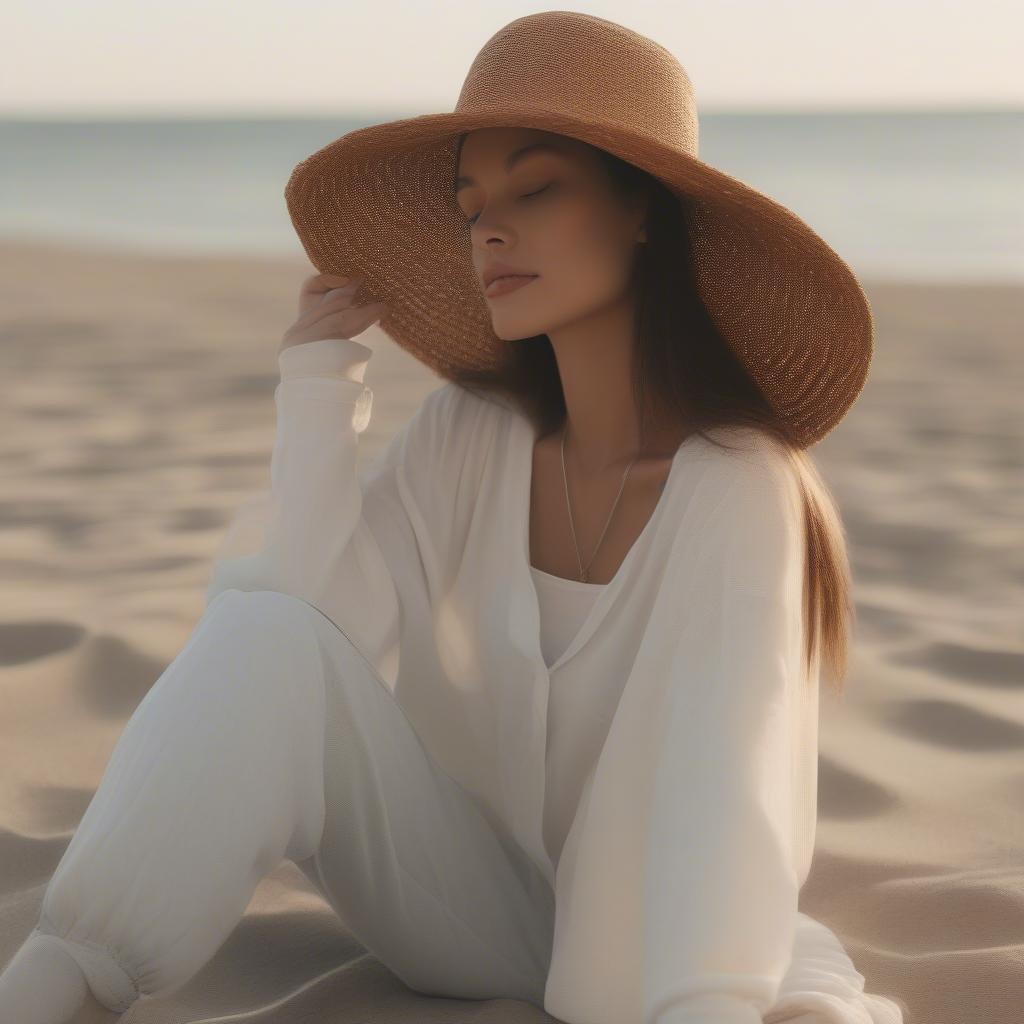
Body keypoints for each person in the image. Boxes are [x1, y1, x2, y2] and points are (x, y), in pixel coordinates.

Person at [0, 12, 907, 1024]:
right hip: (464, 910)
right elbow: (299, 627)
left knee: (783, 983)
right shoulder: (466, 435)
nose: (488, 229)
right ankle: (61, 986)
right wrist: (315, 388)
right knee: (266, 632)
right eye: (471, 203)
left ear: (640, 210)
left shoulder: (741, 483)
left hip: (660, 944)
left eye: (536, 188)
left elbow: (724, 787)